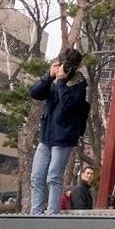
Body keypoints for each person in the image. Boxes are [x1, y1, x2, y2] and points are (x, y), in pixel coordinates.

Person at [28, 48, 89, 215]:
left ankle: (52, 214)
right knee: (37, 177)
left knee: (54, 177)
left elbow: (68, 105)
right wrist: (49, 76)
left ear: (76, 66)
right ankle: (36, 213)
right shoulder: (54, 79)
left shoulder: (79, 83)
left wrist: (61, 82)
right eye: (63, 63)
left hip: (64, 136)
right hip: (46, 135)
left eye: (69, 64)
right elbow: (35, 93)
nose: (65, 67)